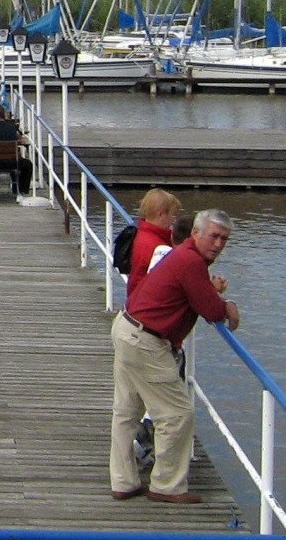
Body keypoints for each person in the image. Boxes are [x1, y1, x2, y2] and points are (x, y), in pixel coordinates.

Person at [110, 209, 240, 504]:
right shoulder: (191, 261)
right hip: (145, 340)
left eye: (224, 239)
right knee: (177, 414)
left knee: (127, 412)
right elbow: (212, 310)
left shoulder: (184, 256)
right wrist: (228, 305)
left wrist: (211, 292)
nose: (219, 244)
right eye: (214, 236)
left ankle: (124, 482)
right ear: (196, 233)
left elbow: (197, 294)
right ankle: (166, 485)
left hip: (128, 328)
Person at [127, 188, 183, 297]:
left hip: (135, 298)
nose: (173, 219)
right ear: (161, 214)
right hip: (146, 304)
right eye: (172, 214)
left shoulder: (141, 235)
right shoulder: (157, 246)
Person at [0, 108, 35, 197]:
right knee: (28, 165)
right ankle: (21, 191)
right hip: (13, 163)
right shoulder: (12, 127)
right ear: (4, 116)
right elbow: (20, 140)